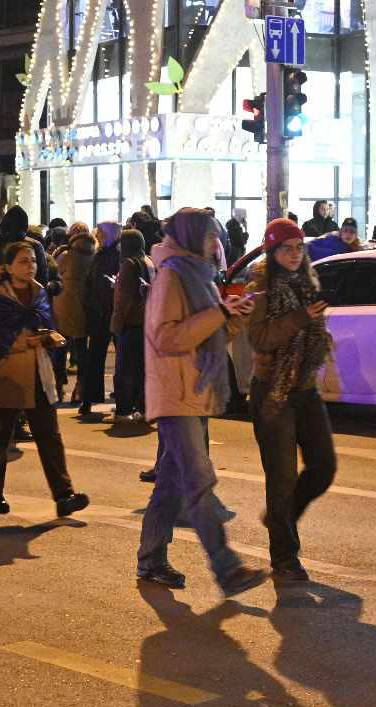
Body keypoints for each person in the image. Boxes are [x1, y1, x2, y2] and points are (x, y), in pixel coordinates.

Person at [135, 209, 269, 597]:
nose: (217, 244)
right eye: (211, 237)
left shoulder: (199, 275)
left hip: (196, 391)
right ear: (193, 237)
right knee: (197, 480)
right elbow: (167, 338)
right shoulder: (172, 277)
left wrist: (234, 317)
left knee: (173, 483)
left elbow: (210, 334)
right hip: (175, 393)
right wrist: (219, 313)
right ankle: (227, 570)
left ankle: (150, 559)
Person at [0, 240, 91, 523]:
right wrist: (24, 341)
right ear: (7, 267)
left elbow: (47, 323)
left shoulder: (40, 292)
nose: (30, 266)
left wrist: (48, 337)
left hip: (37, 372)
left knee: (50, 436)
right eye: (23, 261)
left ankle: (64, 495)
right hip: (4, 374)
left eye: (33, 261)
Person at [242, 218, 337, 583]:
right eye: (287, 248)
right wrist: (301, 318)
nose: (295, 255)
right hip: (273, 392)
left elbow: (315, 332)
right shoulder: (261, 289)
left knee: (324, 466)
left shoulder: (308, 282)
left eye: (299, 248)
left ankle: (281, 518)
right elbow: (260, 340)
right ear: (273, 251)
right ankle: (284, 556)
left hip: (305, 388)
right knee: (280, 479)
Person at [108, 228, 153, 423]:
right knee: (143, 370)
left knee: (125, 371)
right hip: (147, 323)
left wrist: (115, 326)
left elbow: (123, 300)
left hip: (131, 323)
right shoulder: (149, 261)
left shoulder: (128, 264)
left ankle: (123, 411)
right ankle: (143, 409)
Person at [80, 221, 120, 421]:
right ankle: (89, 399)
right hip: (99, 313)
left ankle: (121, 399)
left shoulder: (116, 256)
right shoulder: (101, 254)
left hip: (111, 313)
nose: (99, 236)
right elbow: (91, 283)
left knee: (116, 358)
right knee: (95, 357)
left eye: (102, 233)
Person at [52, 228, 94, 401]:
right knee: (82, 349)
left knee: (59, 348)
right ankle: (81, 387)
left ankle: (58, 387)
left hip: (62, 305)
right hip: (84, 307)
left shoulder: (65, 255)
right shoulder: (94, 256)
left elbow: (54, 275)